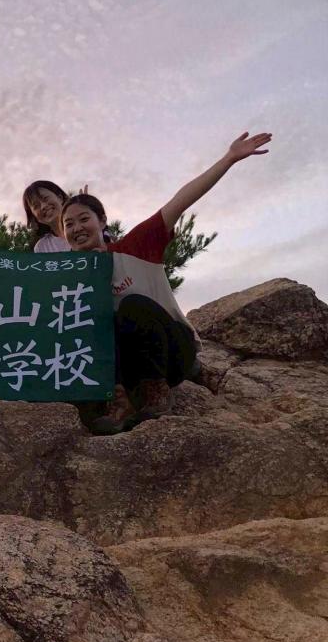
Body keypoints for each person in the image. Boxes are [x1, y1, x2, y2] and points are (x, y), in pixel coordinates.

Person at [61, 131, 273, 435]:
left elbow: (179, 202)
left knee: (132, 306)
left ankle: (155, 393)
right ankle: (119, 401)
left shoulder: (135, 246)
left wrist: (228, 159)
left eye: (84, 219)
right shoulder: (70, 281)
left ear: (102, 221)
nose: (77, 228)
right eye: (68, 224)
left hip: (173, 353)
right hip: (124, 369)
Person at [23, 181, 72, 253]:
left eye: (45, 198)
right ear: (34, 217)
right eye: (36, 206)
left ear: (60, 198)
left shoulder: (84, 228)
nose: (43, 206)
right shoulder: (41, 247)